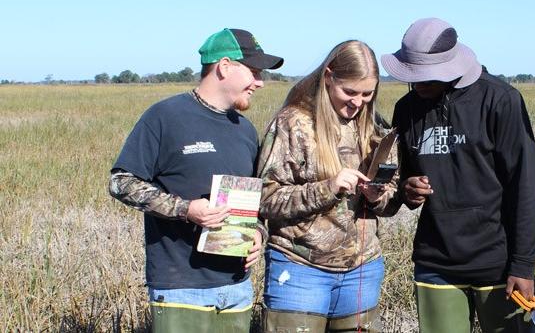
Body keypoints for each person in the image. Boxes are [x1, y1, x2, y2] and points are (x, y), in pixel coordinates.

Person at [108, 28, 283, 332]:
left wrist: (258, 233)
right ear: (225, 66)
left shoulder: (245, 129)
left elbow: (252, 200)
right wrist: (186, 209)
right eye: (253, 71)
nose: (260, 81)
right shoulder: (165, 116)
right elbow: (121, 182)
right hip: (181, 286)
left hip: (237, 287)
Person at [381, 18, 535, 333]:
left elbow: (524, 186)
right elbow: (406, 180)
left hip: (498, 265)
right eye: (411, 76)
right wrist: (407, 189)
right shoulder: (406, 109)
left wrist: (523, 264)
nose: (417, 84)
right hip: (435, 263)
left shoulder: (500, 99)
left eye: (425, 76)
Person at [256, 40, 400, 332]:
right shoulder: (292, 124)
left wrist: (377, 196)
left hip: (362, 271)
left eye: (367, 94)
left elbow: (391, 195)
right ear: (328, 77)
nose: (357, 102)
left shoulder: (375, 127)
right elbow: (265, 198)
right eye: (349, 92)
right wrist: (328, 188)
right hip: (298, 270)